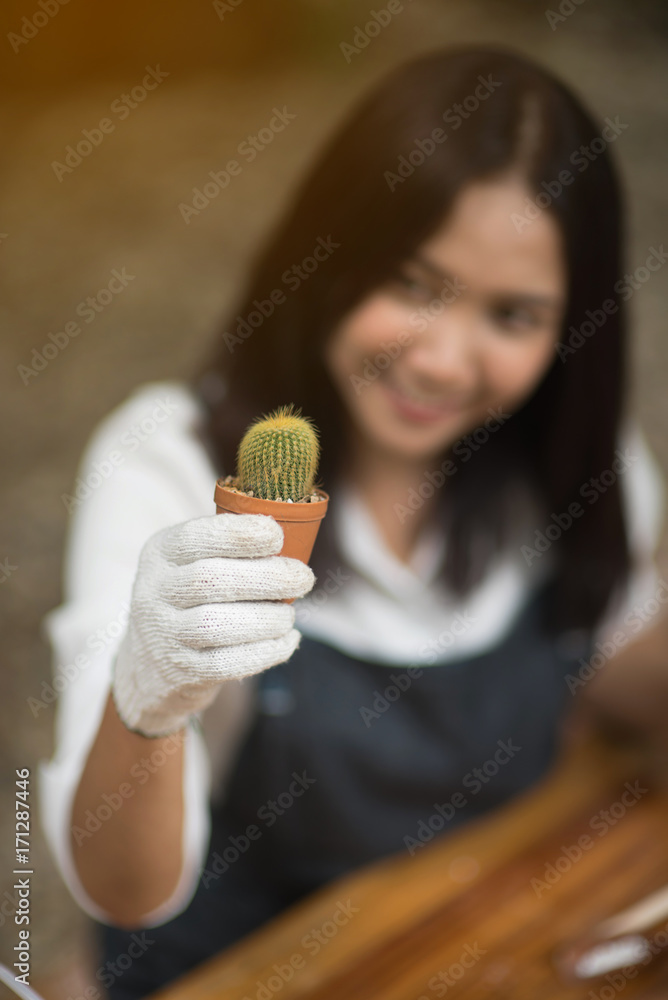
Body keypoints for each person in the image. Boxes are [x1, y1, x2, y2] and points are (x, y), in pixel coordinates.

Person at [38, 47, 668, 999]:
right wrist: (148, 697)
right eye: (412, 283)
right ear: (323, 257)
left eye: (514, 315)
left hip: (482, 953)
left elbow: (613, 661)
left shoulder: (584, 461)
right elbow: (124, 893)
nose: (444, 362)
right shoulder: (165, 462)